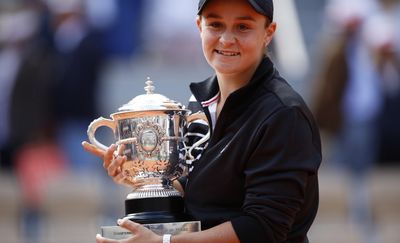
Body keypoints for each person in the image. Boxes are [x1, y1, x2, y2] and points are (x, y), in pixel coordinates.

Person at [83, 0, 322, 242]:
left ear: (268, 33)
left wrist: (164, 242)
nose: (227, 39)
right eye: (216, 25)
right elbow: (197, 190)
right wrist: (144, 175)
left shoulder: (283, 114)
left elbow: (263, 228)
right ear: (199, 27)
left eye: (243, 27)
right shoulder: (200, 102)